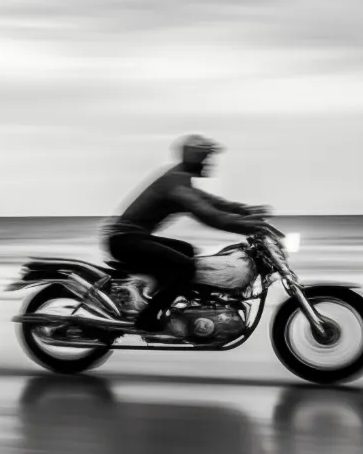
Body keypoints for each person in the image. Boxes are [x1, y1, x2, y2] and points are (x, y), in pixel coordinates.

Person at [104, 135, 267, 334]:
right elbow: (210, 215)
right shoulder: (176, 183)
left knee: (187, 250)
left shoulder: (180, 178)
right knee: (185, 267)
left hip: (132, 237)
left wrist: (247, 210)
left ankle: (161, 297)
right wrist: (248, 227)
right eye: (205, 157)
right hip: (124, 240)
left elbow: (214, 202)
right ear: (194, 157)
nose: (209, 162)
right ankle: (147, 317)